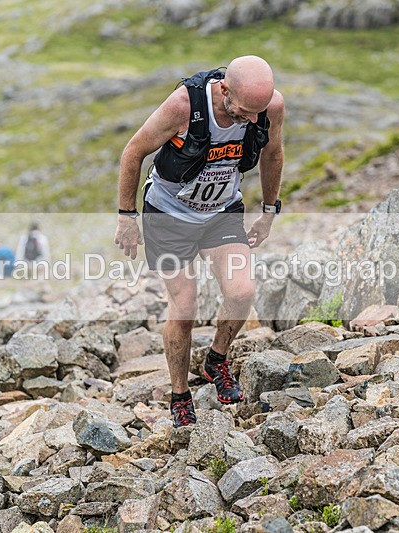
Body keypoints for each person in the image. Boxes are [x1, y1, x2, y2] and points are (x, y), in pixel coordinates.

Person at [113, 55, 285, 427]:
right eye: (245, 111)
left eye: (260, 111)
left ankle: (216, 361)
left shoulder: (269, 107)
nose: (255, 120)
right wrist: (127, 218)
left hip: (221, 212)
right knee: (185, 308)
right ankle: (180, 395)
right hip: (168, 217)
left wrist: (269, 210)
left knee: (241, 293)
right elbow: (133, 152)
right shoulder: (183, 106)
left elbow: (273, 153)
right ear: (225, 89)